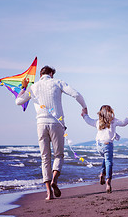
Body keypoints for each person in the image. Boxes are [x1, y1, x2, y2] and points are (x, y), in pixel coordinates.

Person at [16, 65, 87, 200]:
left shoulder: (33, 87)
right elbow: (76, 94)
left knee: (45, 158)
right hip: (57, 124)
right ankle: (55, 179)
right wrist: (84, 107)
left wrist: (23, 87)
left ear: (41, 75)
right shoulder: (57, 82)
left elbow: (18, 101)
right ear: (50, 73)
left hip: (41, 124)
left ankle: (49, 194)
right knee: (59, 155)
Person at [81, 105, 128, 193]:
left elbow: (88, 120)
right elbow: (124, 122)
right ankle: (108, 181)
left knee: (106, 159)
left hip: (99, 146)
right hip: (107, 144)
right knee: (109, 162)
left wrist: (84, 115)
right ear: (110, 112)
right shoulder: (113, 121)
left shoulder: (98, 122)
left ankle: (102, 173)